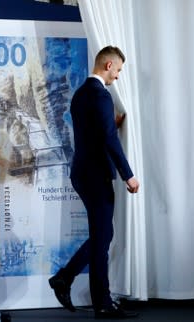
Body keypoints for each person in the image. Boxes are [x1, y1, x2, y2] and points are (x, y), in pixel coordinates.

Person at [48, 46, 140, 319]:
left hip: (82, 173)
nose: (119, 77)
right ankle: (93, 297)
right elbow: (109, 140)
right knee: (103, 237)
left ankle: (77, 286)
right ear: (109, 65)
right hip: (96, 175)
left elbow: (94, 131)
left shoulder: (81, 94)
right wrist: (128, 174)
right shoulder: (101, 96)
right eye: (119, 70)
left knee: (103, 236)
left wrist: (112, 123)